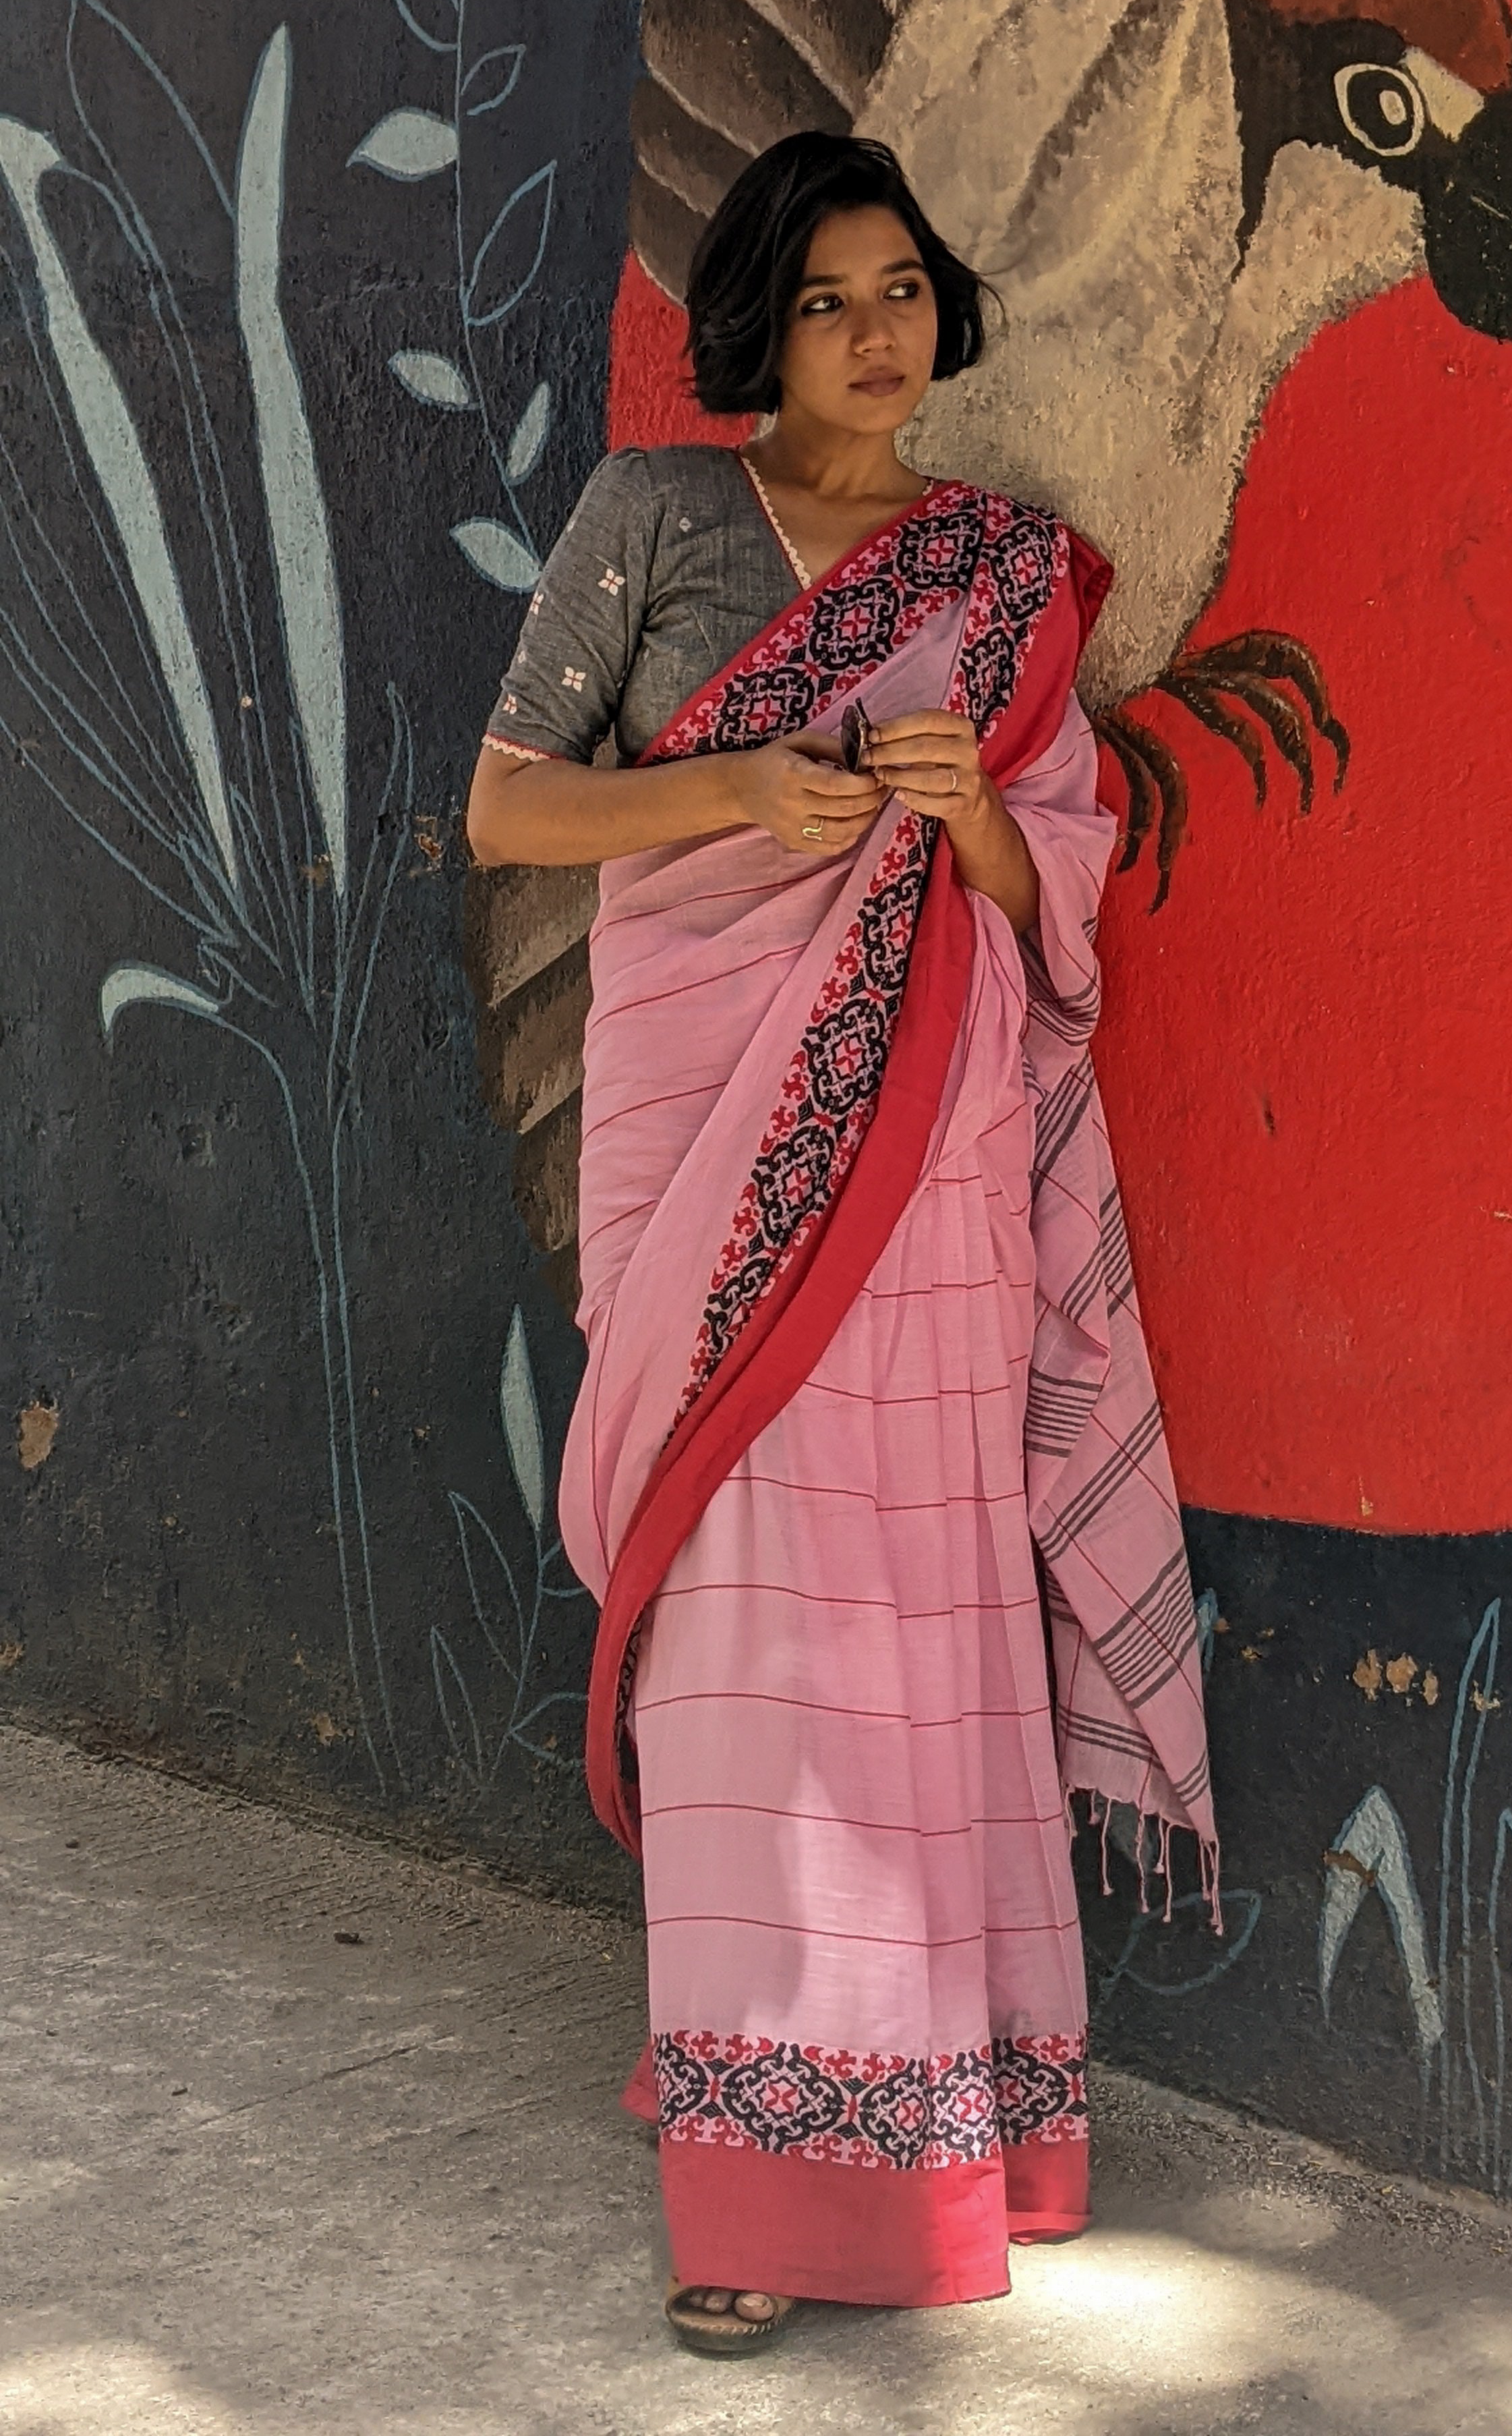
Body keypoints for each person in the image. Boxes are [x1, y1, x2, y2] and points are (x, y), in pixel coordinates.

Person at [465, 132, 1214, 2356]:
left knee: (915, 1611)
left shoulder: (994, 573)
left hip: (931, 1189)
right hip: (708, 1160)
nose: (877, 334)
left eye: (904, 290)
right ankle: (755, 2169)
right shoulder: (659, 522)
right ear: (755, 323)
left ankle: (946, 2109)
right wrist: (738, 791)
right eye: (827, 299)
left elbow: (1054, 908)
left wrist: (970, 807)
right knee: (740, 1650)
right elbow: (511, 803)